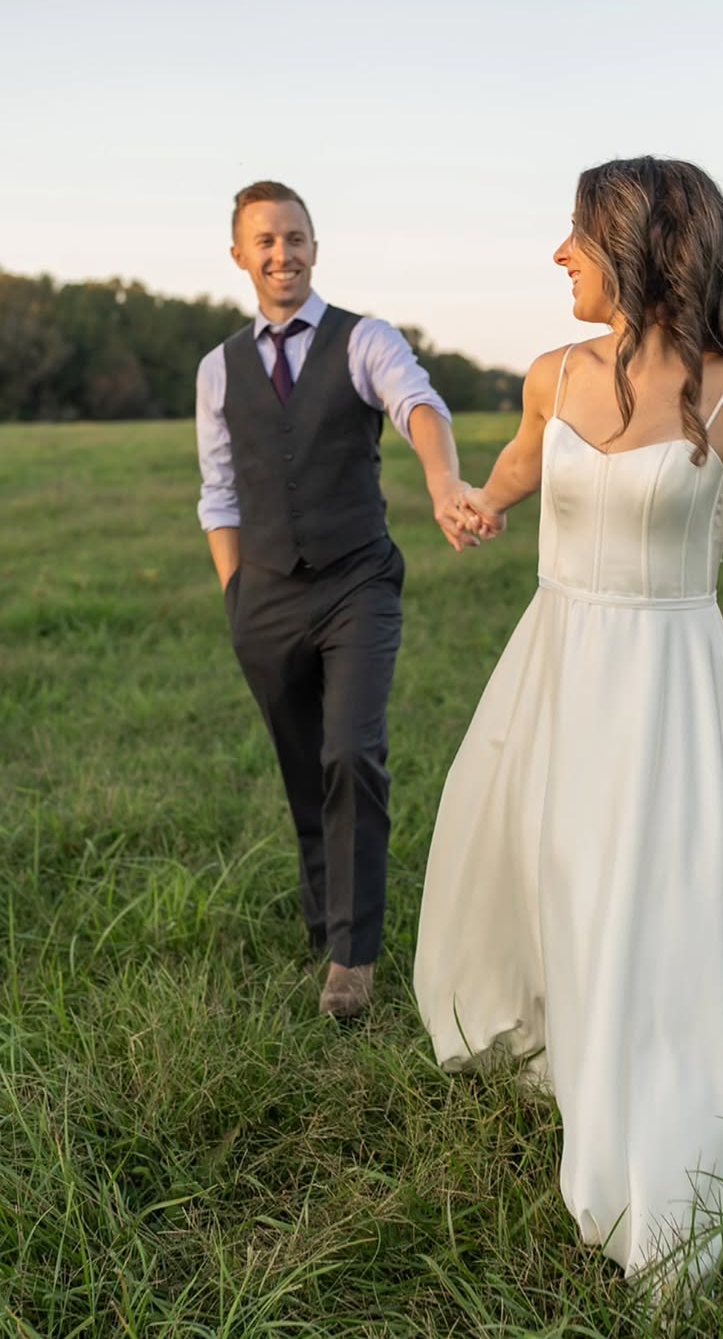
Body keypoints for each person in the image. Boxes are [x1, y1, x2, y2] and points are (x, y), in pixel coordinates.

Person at [414, 157, 723, 1281]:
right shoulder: (553, 373)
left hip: (667, 689)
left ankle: (660, 1157)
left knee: (649, 910)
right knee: (554, 882)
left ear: (643, 247)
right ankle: (580, 1061)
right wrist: (482, 503)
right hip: (554, 668)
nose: (558, 255)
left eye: (578, 234)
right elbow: (519, 461)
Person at [196, 180, 475, 1019]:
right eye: (266, 241)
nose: (284, 253)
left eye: (297, 237)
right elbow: (219, 493)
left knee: (351, 753)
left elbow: (418, 404)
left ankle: (353, 958)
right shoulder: (219, 369)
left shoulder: (365, 339)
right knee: (301, 767)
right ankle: (326, 921)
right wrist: (239, 594)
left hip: (357, 581)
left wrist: (441, 477)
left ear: (316, 246)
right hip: (265, 598)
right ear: (240, 255)